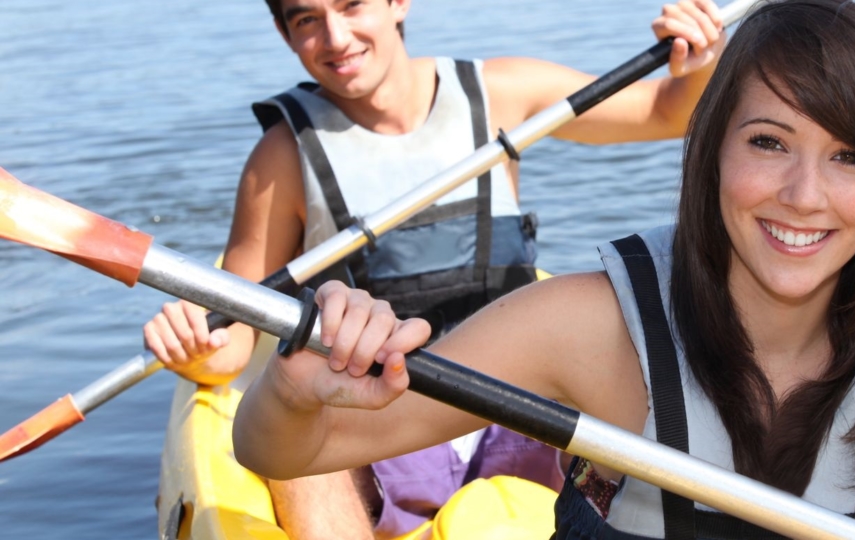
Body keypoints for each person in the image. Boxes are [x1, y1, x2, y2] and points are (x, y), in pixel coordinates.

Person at [233, 0, 855, 538]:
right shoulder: (586, 326)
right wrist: (291, 389)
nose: (805, 196)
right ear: (710, 155)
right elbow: (282, 452)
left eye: (851, 156)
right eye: (768, 143)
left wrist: (692, 61)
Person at [141, 0, 726, 537]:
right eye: (307, 19)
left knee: (629, 378)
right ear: (284, 32)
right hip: (381, 407)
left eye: (351, 6)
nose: (336, 37)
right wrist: (194, 344)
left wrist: (697, 61)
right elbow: (234, 336)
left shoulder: (500, 93)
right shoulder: (280, 160)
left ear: (398, 2)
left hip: (516, 393)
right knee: (297, 459)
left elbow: (669, 112)